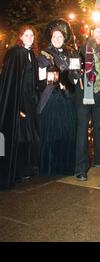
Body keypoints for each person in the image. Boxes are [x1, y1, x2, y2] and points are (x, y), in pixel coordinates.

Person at [37, 19, 79, 176]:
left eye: (60, 36)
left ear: (64, 38)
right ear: (50, 38)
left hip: (68, 98)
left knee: (67, 132)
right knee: (53, 132)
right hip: (52, 99)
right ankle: (50, 167)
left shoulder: (71, 53)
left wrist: (75, 73)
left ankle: (66, 166)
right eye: (55, 36)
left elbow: (75, 78)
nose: (57, 39)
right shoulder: (44, 55)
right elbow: (41, 79)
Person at [0, 25, 40, 189]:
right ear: (20, 36)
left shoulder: (30, 54)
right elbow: (12, 82)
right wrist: (19, 105)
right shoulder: (17, 53)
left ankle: (26, 169)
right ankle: (16, 171)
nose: (29, 38)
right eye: (26, 35)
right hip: (18, 102)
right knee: (19, 136)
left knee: (28, 135)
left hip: (30, 101)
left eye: (32, 35)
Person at [74, 24, 100, 181]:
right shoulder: (81, 48)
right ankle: (80, 167)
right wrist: (75, 74)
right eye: (98, 32)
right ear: (92, 32)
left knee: (99, 128)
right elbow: (73, 70)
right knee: (82, 131)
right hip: (85, 95)